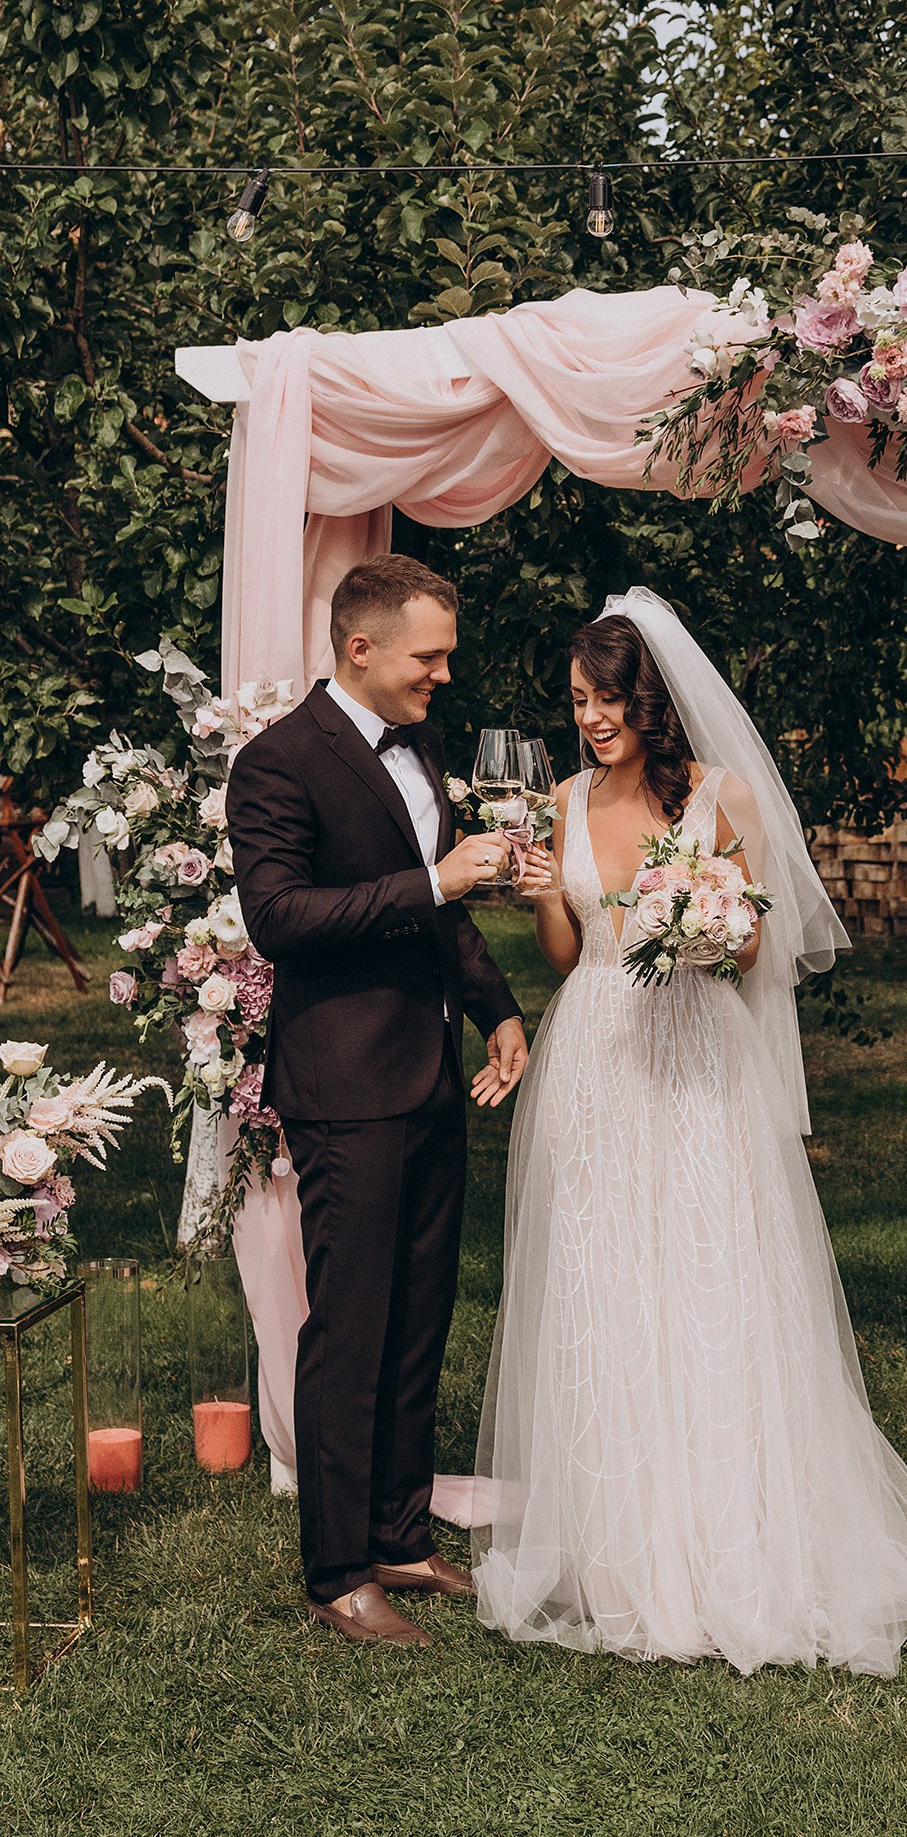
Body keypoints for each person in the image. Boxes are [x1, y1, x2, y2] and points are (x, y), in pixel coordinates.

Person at [472, 586, 907, 1675]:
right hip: (596, 1053)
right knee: (605, 1278)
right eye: (577, 700)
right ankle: (621, 1554)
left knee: (711, 1272)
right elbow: (567, 953)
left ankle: (734, 1540)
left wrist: (702, 919)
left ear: (649, 700)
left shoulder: (721, 794)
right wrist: (544, 896)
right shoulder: (560, 799)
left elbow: (756, 947)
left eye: (607, 699)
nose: (590, 718)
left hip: (696, 1049)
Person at [227, 554, 538, 1647]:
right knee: (351, 1327)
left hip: (429, 1071)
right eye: (429, 657)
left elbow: (445, 915)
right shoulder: (278, 761)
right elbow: (279, 918)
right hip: (344, 1082)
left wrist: (495, 1008)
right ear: (361, 648)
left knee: (418, 1316)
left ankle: (400, 1535)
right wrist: (434, 880)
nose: (444, 675)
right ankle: (336, 1570)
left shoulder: (426, 746)